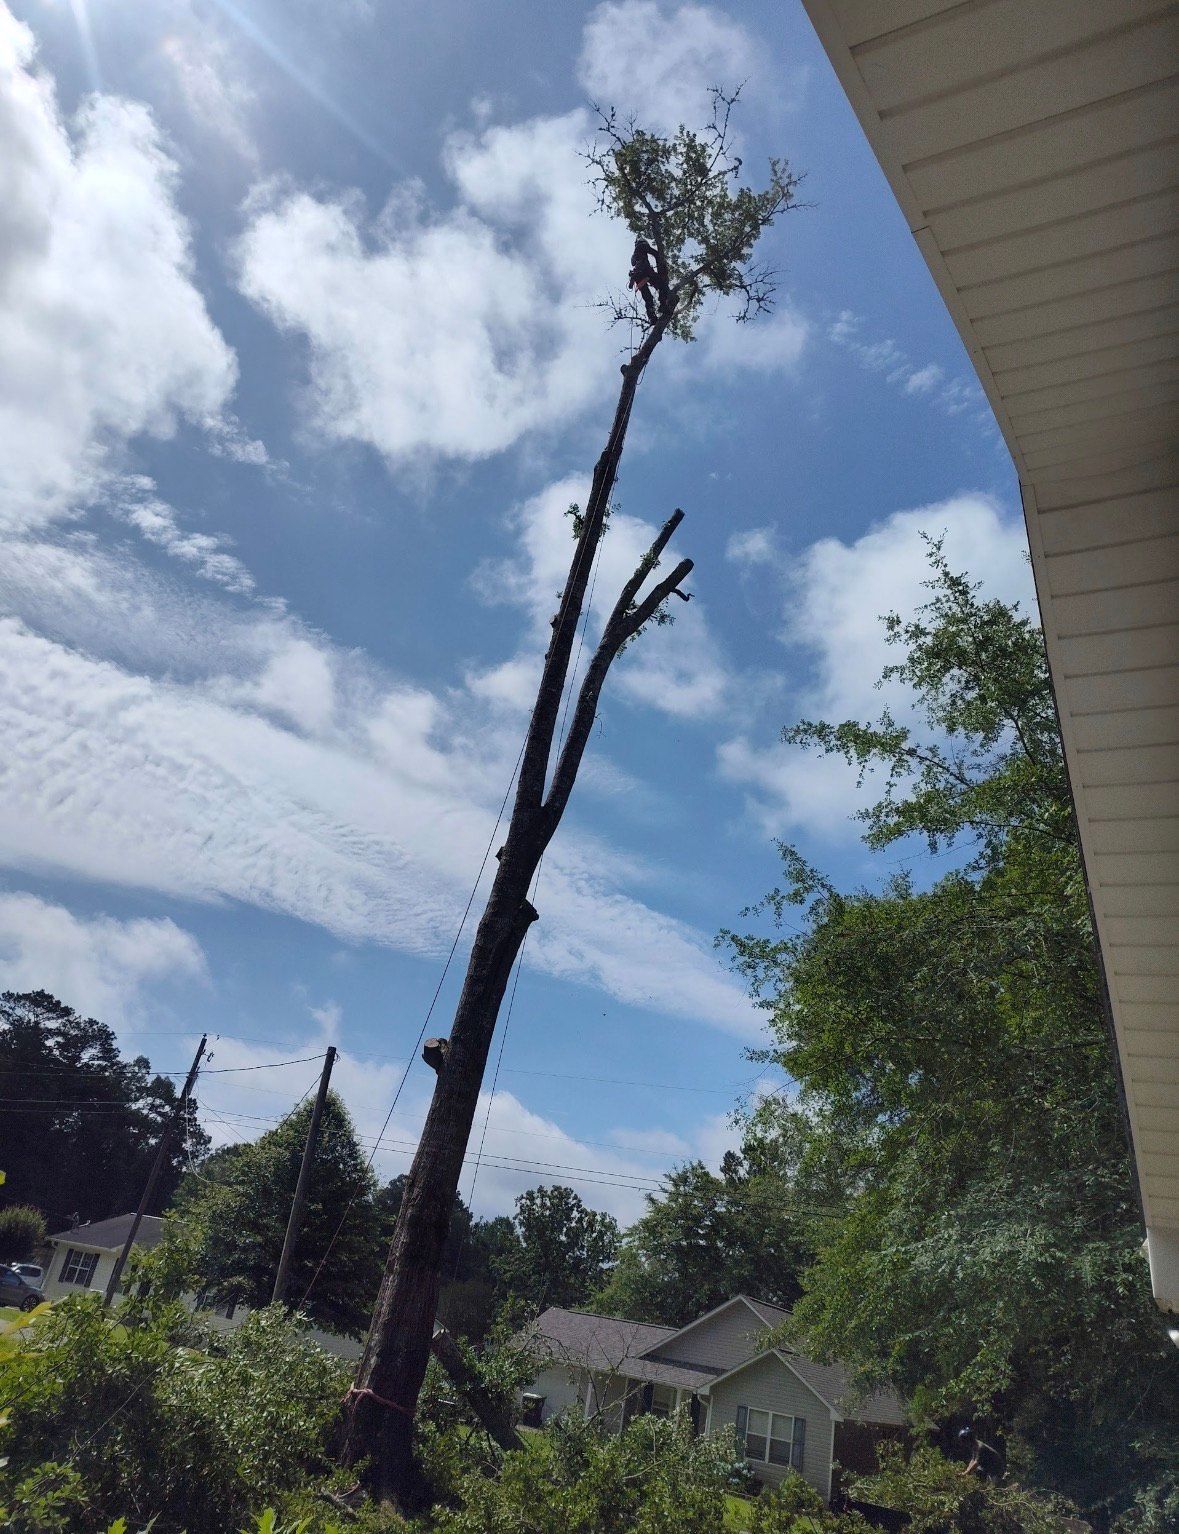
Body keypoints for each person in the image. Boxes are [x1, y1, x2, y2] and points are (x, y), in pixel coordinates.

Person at [628, 237, 659, 323]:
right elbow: (654, 253)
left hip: (638, 276)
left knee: (648, 298)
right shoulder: (642, 246)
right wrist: (659, 256)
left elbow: (633, 263)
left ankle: (652, 317)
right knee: (661, 284)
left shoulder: (635, 254)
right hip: (645, 271)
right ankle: (664, 302)